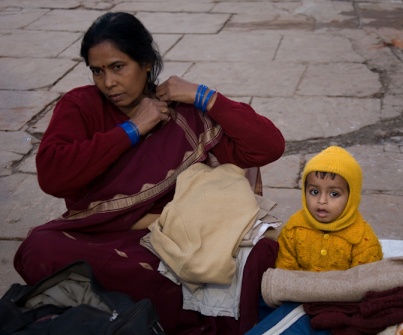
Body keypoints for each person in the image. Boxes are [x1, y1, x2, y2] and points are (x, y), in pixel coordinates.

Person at [14, 12, 285, 335]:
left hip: (168, 239)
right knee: (38, 248)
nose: (108, 83)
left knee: (258, 255)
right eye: (97, 71)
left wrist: (205, 96)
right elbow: (53, 176)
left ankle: (149, 310)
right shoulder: (81, 105)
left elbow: (268, 146)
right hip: (97, 235)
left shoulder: (181, 115)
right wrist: (131, 129)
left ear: (145, 63)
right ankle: (181, 314)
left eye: (118, 67)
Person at [275, 146, 382, 271]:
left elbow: (363, 281)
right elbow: (284, 272)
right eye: (314, 192)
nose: (322, 201)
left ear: (351, 197)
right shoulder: (293, 229)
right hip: (299, 289)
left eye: (334, 194)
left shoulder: (362, 238)